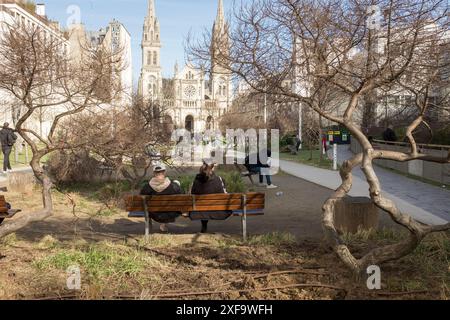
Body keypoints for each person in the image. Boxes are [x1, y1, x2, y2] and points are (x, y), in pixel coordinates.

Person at [140, 164, 182, 233]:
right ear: (164, 172)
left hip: (154, 214)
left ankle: (158, 226)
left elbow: (141, 198)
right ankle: (163, 224)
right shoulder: (173, 186)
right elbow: (181, 195)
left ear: (154, 173)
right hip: (170, 213)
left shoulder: (147, 187)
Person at [191, 159, 229, 233]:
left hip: (199, 211)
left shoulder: (196, 180)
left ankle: (204, 225)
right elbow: (225, 195)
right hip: (218, 210)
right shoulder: (219, 179)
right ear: (213, 168)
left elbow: (193, 194)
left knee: (202, 205)